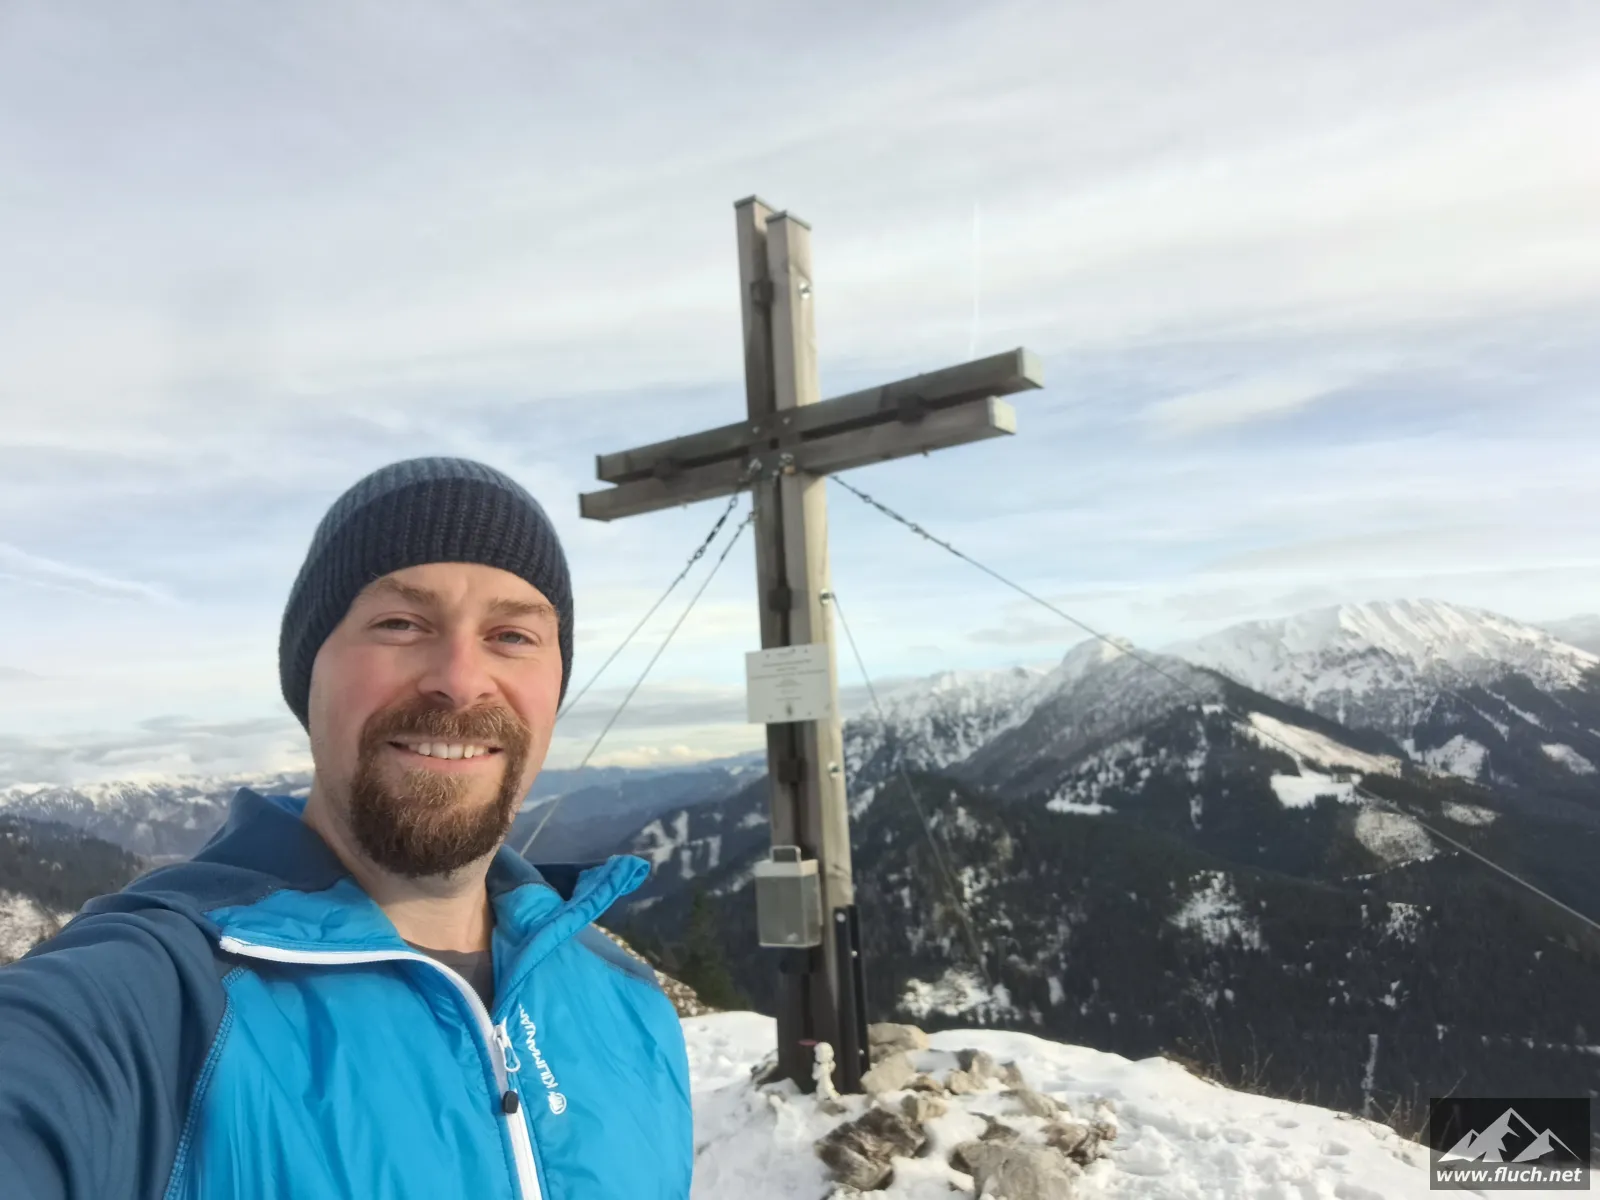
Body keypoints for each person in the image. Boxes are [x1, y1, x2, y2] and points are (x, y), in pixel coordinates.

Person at [0, 457, 693, 1200]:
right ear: (309, 675)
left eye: (513, 635)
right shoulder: (148, 1011)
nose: (460, 680)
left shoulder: (630, 1003)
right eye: (400, 623)